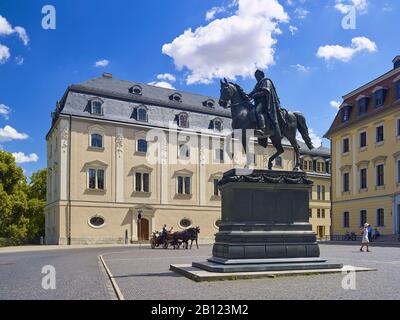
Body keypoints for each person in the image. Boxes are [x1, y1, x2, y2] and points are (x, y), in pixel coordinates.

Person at [248, 69, 282, 137]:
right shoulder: (257, 84)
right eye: (255, 76)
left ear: (261, 75)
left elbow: (266, 91)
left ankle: (262, 129)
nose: (256, 77)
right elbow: (252, 92)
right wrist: (247, 96)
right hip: (257, 102)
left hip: (265, 102)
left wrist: (256, 95)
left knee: (257, 111)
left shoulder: (266, 81)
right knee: (251, 112)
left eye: (257, 76)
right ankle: (255, 127)